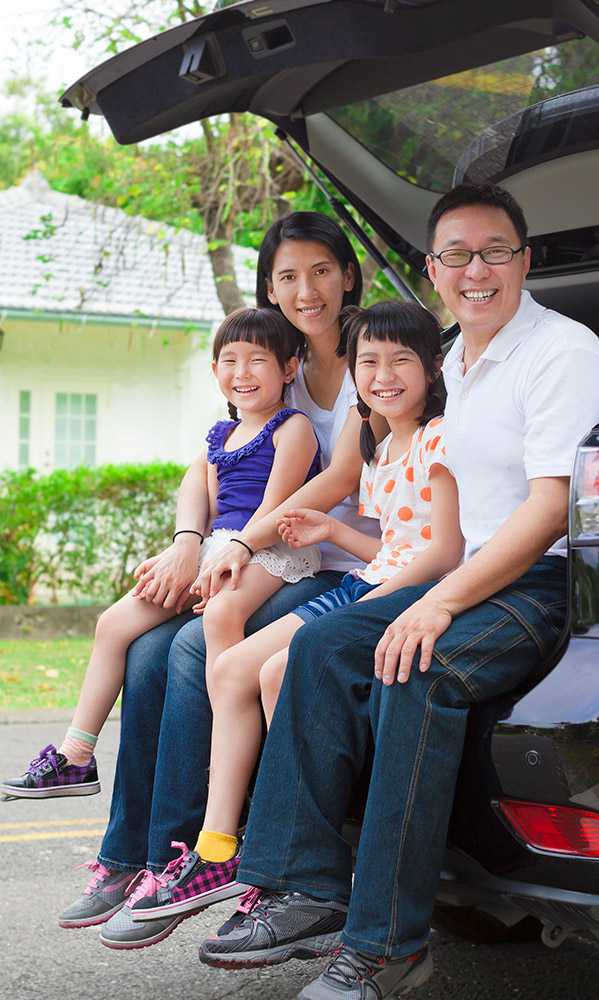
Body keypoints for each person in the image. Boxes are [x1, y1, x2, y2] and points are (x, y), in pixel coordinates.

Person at [197, 183, 599, 1000]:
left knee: (410, 666)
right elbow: (391, 469)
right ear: (432, 268)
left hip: (533, 580)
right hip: (455, 571)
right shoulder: (451, 357)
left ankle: (386, 948)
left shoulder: (563, 351)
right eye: (456, 254)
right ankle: (303, 886)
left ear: (523, 260)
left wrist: (440, 599)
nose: (474, 269)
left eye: (493, 251)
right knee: (316, 645)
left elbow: (548, 508)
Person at [54, 212, 382, 951]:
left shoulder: (372, 356)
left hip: (338, 562)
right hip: (256, 558)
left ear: (348, 275)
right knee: (141, 651)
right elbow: (205, 470)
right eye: (288, 276)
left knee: (191, 652)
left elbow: (337, 478)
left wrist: (238, 540)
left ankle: (186, 855)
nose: (307, 289)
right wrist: (187, 542)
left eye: (321, 271)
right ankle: (126, 857)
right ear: (269, 286)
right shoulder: (269, 360)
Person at [124, 300, 463, 924]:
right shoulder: (380, 447)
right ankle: (220, 847)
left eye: (400, 361)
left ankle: (297, 846)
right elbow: (394, 545)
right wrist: (325, 534)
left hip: (384, 593)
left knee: (278, 671)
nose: (383, 375)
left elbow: (444, 551)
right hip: (368, 579)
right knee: (230, 671)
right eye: (368, 362)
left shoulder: (439, 439)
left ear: (434, 368)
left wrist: (374, 588)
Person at [1, 307, 322, 803]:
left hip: (271, 548)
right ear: (215, 370)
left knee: (221, 614)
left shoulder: (292, 428)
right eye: (229, 360)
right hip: (221, 546)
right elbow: (210, 510)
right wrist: (186, 555)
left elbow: (274, 509)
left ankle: (227, 751)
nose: (242, 373)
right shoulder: (219, 435)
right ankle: (76, 757)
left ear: (288, 368)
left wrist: (225, 556)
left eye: (257, 360)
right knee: (114, 623)